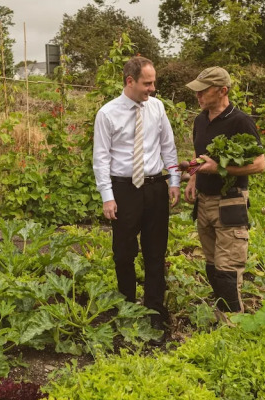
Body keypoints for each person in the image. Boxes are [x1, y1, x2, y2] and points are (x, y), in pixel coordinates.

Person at [93, 56, 181, 342]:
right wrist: (108, 197)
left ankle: (155, 310)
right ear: (129, 81)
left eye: (153, 82)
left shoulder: (157, 108)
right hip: (125, 190)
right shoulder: (107, 114)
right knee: (124, 252)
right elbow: (101, 158)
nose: (152, 88)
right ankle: (127, 306)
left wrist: (175, 181)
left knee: (156, 252)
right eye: (147, 83)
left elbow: (168, 146)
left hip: (155, 187)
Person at [184, 66, 265, 313]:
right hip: (204, 202)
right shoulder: (200, 120)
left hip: (230, 201)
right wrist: (192, 178)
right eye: (196, 92)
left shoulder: (240, 121)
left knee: (227, 270)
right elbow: (200, 157)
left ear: (222, 91)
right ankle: (221, 317)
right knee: (212, 265)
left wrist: (219, 167)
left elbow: (260, 164)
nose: (198, 97)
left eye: (203, 92)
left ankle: (233, 326)